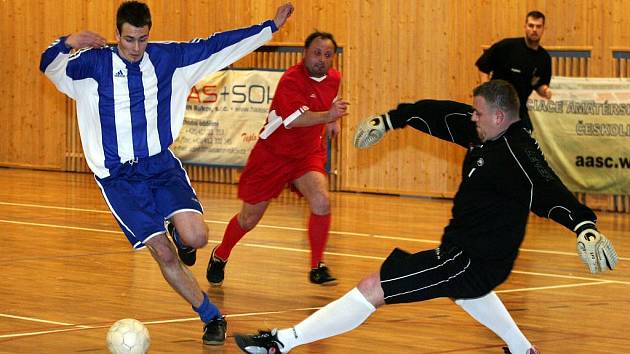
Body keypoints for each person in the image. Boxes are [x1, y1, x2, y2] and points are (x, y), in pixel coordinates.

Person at [233, 80, 618, 354]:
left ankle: (282, 342)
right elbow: (442, 115)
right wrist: (392, 120)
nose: (473, 117)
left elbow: (546, 185)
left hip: (467, 259)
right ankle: (522, 349)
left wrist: (583, 224)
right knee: (470, 293)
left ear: (500, 116)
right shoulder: (487, 133)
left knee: (374, 287)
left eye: (480, 112)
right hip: (470, 258)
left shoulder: (517, 153)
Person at [40, 0, 294, 345]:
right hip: (119, 180)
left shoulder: (167, 59)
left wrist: (269, 27)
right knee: (163, 252)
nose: (135, 48)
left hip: (160, 166)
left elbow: (216, 46)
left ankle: (178, 226)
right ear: (116, 34)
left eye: (142, 39)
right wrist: (68, 42)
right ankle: (210, 316)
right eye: (128, 39)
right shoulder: (91, 64)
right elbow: (49, 67)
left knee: (197, 239)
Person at [205, 31, 349, 287]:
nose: (322, 60)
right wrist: (329, 116)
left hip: (306, 156)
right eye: (317, 53)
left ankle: (317, 266)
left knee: (322, 201)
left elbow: (331, 99)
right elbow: (293, 120)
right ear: (304, 54)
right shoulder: (292, 79)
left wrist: (333, 120)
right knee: (248, 219)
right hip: (273, 156)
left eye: (328, 55)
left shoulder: (334, 78)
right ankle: (221, 254)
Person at [475, 10, 552, 132]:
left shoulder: (544, 58)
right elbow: (483, 65)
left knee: (526, 135)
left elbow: (538, 84)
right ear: (525, 27)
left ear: (543, 29)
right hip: (496, 106)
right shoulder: (507, 47)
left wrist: (545, 91)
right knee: (486, 144)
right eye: (531, 25)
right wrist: (486, 91)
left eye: (538, 26)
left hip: (518, 109)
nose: (534, 29)